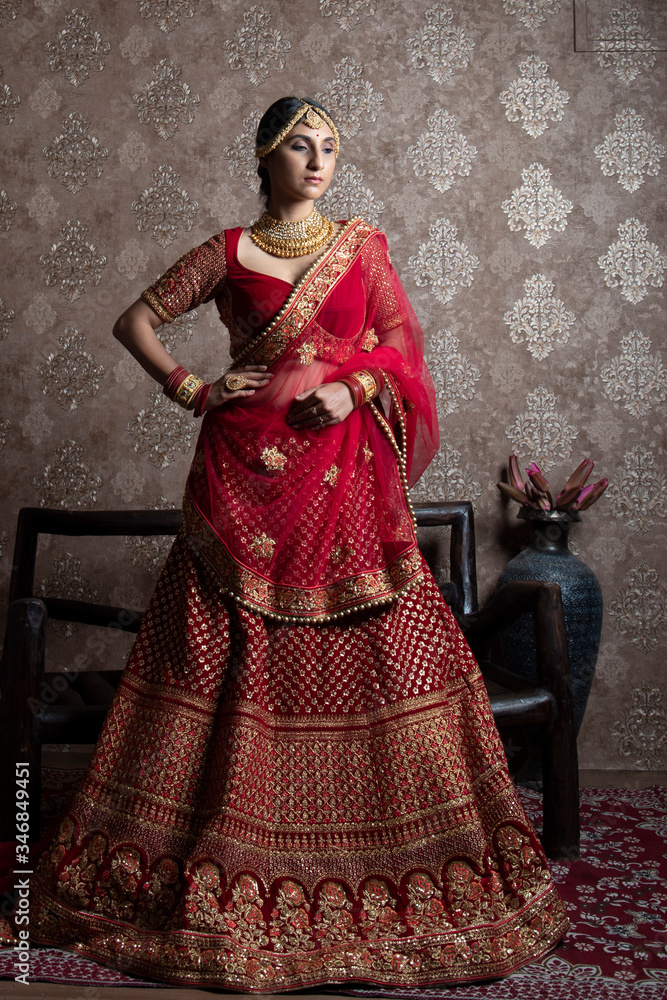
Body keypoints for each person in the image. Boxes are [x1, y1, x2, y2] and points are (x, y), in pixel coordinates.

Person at [28, 97, 567, 990]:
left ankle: (382, 859)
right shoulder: (228, 249)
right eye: (297, 147)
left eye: (328, 148)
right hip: (242, 474)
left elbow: (398, 345)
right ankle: (219, 854)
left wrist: (353, 393)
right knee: (218, 652)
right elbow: (135, 322)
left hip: (345, 475)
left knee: (382, 647)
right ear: (262, 157)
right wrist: (196, 388)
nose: (316, 162)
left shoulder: (360, 244)